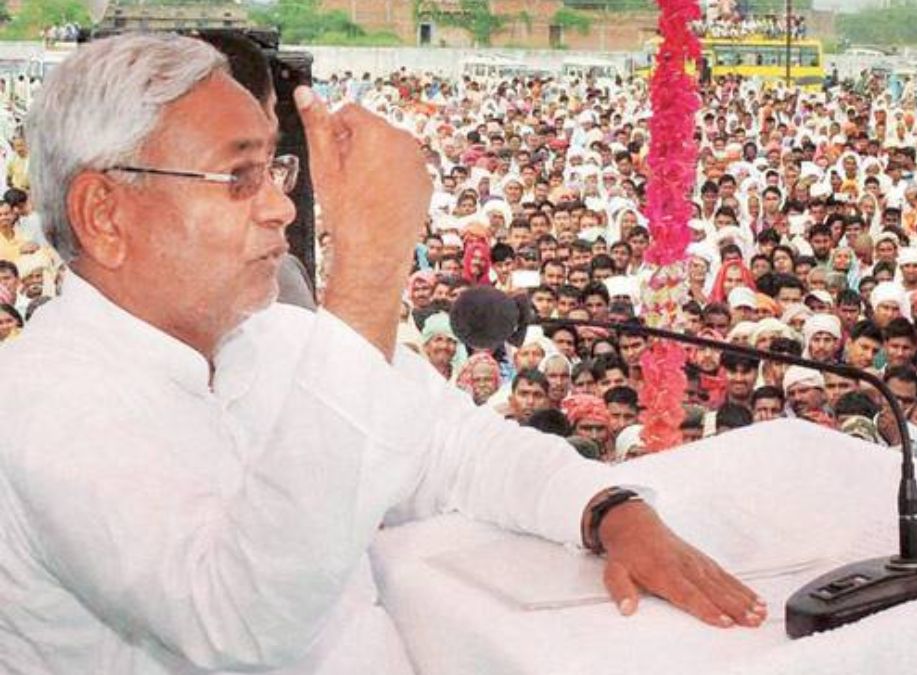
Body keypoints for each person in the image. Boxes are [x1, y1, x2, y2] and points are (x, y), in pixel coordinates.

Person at [0, 34, 764, 674]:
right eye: (238, 177)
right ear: (105, 213)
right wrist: (368, 265)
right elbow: (241, 624)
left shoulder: (274, 339)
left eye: (276, 170)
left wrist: (608, 510)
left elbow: (460, 449)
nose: (281, 206)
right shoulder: (40, 401)